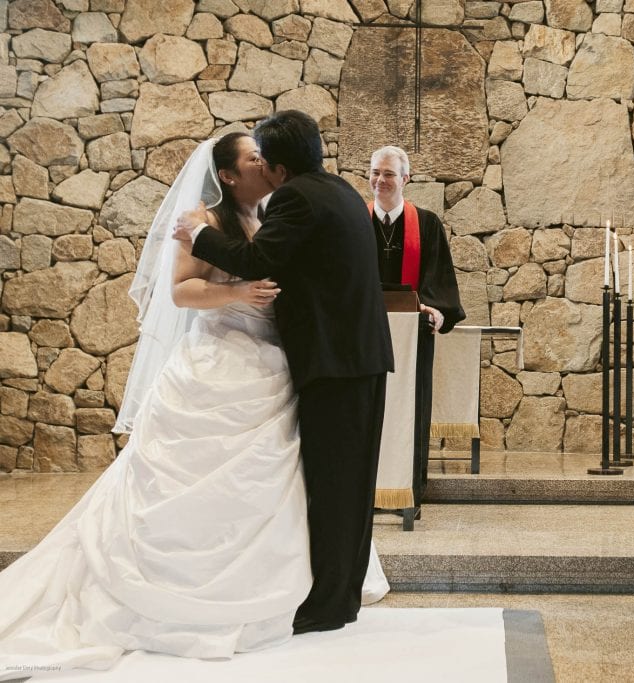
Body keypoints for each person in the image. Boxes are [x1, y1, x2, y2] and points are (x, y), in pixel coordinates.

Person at [0, 134, 387, 678]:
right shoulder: (199, 218)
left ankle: (276, 587)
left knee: (281, 478)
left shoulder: (273, 215)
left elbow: (269, 263)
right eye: (252, 160)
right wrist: (235, 295)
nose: (263, 166)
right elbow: (180, 290)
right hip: (220, 362)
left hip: (274, 366)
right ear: (229, 175)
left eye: (263, 157)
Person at [174, 111, 394, 635]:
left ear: (276, 167)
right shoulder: (339, 190)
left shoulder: (294, 198)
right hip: (354, 358)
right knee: (349, 486)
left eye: (261, 159)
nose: (259, 168)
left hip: (334, 362)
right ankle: (338, 597)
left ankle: (329, 605)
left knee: (335, 485)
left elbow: (256, 261)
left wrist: (200, 236)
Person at [368, 145, 465, 509]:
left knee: (410, 410)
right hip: (367, 337)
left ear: (405, 179)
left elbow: (439, 281)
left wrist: (436, 310)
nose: (380, 180)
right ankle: (368, 488)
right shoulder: (356, 222)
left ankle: (409, 488)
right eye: (375, 172)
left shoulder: (426, 224)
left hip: (413, 337)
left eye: (389, 174)